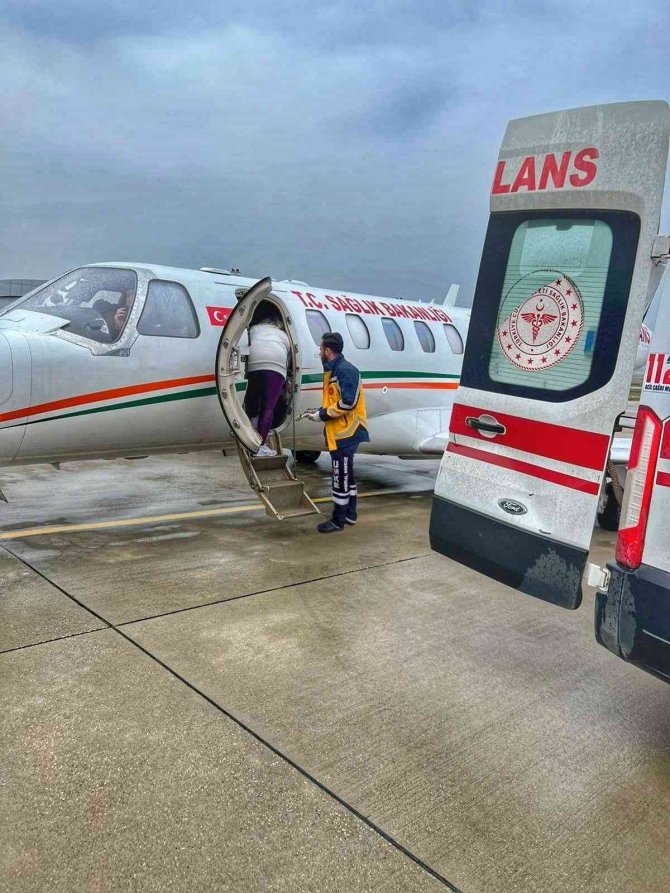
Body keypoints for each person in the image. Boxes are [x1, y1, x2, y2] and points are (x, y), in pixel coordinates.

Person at [306, 332, 370, 533]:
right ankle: (350, 514)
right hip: (339, 432)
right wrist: (319, 412)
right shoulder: (333, 371)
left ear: (327, 351)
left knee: (340, 476)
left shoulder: (345, 371)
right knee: (346, 474)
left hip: (347, 432)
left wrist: (322, 415)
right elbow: (335, 401)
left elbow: (348, 402)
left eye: (320, 349)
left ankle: (338, 521)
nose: (319, 353)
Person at [244, 304, 290, 457]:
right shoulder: (283, 334)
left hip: (254, 365)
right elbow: (288, 355)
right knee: (268, 408)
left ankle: (248, 428)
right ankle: (259, 446)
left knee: (252, 399)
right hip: (276, 367)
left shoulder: (254, 329)